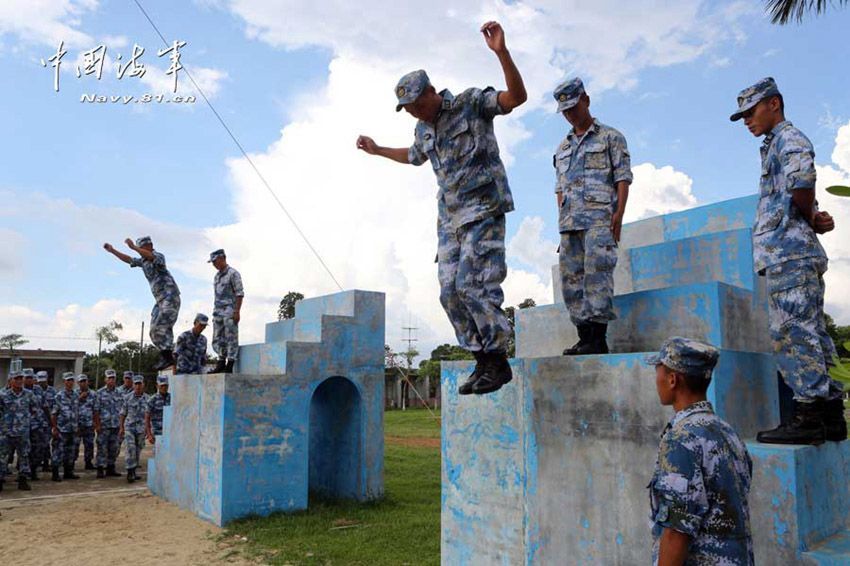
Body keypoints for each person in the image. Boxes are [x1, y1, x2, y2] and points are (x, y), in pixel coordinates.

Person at [356, 21, 526, 395]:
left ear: (432, 91)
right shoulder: (422, 130)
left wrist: (501, 53)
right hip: (449, 221)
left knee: (473, 285)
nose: (415, 111)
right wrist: (378, 149)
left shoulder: (469, 103)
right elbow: (414, 156)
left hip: (482, 208)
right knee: (449, 291)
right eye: (408, 108)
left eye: (418, 103)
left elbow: (516, 98)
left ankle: (498, 360)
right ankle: (482, 360)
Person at [731, 77, 846, 444]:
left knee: (793, 334)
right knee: (812, 333)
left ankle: (809, 413)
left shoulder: (788, 138)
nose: (747, 120)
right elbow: (797, 191)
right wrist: (813, 217)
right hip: (792, 253)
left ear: (774, 104)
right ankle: (830, 415)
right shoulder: (772, 145)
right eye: (743, 115)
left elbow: (802, 180)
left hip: (789, 254)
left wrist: (810, 218)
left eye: (751, 112)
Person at [646, 337, 753, 565]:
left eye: (659, 372)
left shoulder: (681, 438)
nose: (657, 380)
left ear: (673, 379)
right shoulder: (726, 431)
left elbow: (677, 531)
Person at [552, 77, 632, 355]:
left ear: (586, 99)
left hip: (599, 220)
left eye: (574, 107)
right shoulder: (562, 148)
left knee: (597, 278)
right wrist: (561, 220)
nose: (570, 114)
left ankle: (598, 338)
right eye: (565, 111)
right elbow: (559, 188)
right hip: (569, 225)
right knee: (571, 281)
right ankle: (584, 336)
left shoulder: (611, 137)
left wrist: (618, 214)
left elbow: (622, 177)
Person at [103, 236, 181, 371]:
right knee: (153, 331)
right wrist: (113, 251)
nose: (139, 252)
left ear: (149, 246)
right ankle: (168, 355)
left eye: (141, 249)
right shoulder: (144, 262)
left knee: (162, 326)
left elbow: (150, 256)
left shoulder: (158, 256)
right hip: (159, 301)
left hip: (170, 297)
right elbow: (129, 260)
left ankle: (170, 356)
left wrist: (134, 247)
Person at [0, 371, 35, 491]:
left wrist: (26, 421)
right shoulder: (3, 395)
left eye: (21, 378)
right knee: (2, 457)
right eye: (16, 379)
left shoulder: (29, 394)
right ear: (10, 381)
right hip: (6, 432)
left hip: (23, 432)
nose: (19, 381)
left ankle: (23, 480)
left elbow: (34, 409)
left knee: (24, 456)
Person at [210, 250, 244, 373]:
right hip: (218, 311)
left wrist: (237, 311)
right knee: (218, 337)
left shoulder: (233, 274)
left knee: (231, 337)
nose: (214, 264)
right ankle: (220, 361)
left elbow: (239, 294)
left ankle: (230, 363)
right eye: (212, 262)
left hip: (230, 309)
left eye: (215, 261)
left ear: (222, 258)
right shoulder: (217, 276)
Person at [51, 372, 80, 481]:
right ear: (64, 382)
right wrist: (54, 428)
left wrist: (77, 426)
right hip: (62, 429)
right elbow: (54, 414)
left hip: (72, 429)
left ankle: (68, 472)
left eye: (72, 380)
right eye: (68, 380)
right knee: (58, 451)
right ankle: (55, 473)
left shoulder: (76, 395)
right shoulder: (59, 396)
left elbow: (77, 412)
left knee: (71, 452)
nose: (70, 382)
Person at [94, 369, 123, 479]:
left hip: (115, 425)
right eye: (109, 378)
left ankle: (111, 467)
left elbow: (122, 410)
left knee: (113, 448)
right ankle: (100, 468)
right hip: (104, 425)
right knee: (102, 447)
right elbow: (96, 410)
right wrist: (97, 425)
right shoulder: (100, 393)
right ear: (105, 380)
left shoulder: (120, 393)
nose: (111, 380)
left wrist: (121, 426)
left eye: (113, 378)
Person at [119, 374, 148, 483]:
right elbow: (122, 414)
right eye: (136, 384)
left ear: (143, 385)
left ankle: (134, 471)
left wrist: (148, 430)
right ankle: (130, 472)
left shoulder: (147, 399)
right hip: (129, 427)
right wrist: (121, 428)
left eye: (140, 384)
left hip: (141, 429)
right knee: (130, 448)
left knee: (137, 450)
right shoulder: (127, 397)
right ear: (133, 385)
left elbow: (149, 415)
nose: (138, 386)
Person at [22, 369, 47, 481]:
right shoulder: (19, 390)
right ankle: (23, 473)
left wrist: (51, 423)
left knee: (37, 449)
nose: (29, 380)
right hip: (22, 426)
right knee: (24, 451)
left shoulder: (38, 389)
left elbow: (45, 406)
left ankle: (33, 470)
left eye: (31, 378)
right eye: (27, 378)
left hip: (37, 424)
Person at [75, 374, 96, 470]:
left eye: (84, 381)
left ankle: (88, 462)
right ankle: (71, 462)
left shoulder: (93, 394)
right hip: (77, 424)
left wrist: (96, 422)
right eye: (81, 381)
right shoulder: (74, 393)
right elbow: (70, 406)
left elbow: (96, 409)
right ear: (78, 383)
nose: (83, 383)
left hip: (89, 424)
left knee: (89, 444)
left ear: (88, 382)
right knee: (75, 444)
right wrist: (79, 398)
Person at [35, 371, 53, 472]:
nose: (41, 383)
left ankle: (46, 463)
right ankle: (35, 463)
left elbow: (55, 406)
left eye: (43, 381)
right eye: (40, 381)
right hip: (36, 423)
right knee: (35, 444)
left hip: (47, 422)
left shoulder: (53, 391)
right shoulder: (34, 391)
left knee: (46, 443)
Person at [145, 375, 171, 444]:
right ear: (157, 386)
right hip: (157, 433)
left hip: (170, 432)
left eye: (166, 385)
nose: (164, 388)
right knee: (158, 454)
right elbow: (147, 417)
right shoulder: (152, 400)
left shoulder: (172, 398)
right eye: (162, 386)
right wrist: (149, 434)